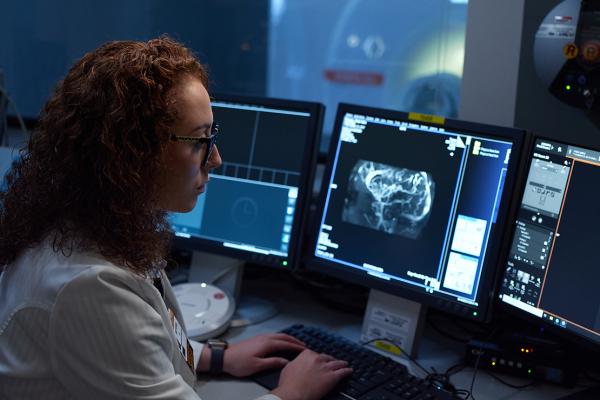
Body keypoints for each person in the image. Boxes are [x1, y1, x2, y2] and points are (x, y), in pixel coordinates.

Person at [0, 37, 352, 399]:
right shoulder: (89, 286)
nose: (215, 159)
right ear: (132, 154)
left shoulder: (93, 225)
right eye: (200, 140)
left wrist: (217, 357)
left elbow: (134, 343)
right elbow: (118, 334)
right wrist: (293, 393)